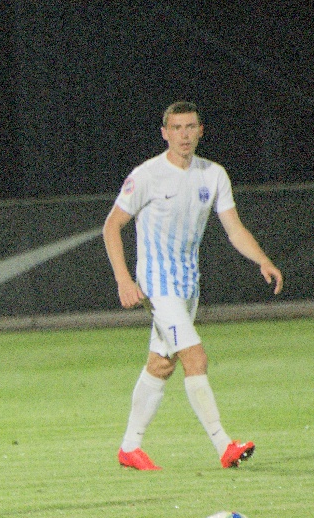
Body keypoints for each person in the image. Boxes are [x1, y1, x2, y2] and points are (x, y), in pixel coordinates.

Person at [102, 100, 283, 471]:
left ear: (201, 131)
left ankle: (129, 448)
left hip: (188, 286)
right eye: (176, 128)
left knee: (161, 364)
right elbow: (111, 226)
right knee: (195, 357)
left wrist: (262, 259)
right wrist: (124, 279)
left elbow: (233, 228)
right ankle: (224, 445)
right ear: (164, 133)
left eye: (190, 127)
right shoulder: (147, 175)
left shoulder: (213, 175)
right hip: (157, 285)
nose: (183, 135)